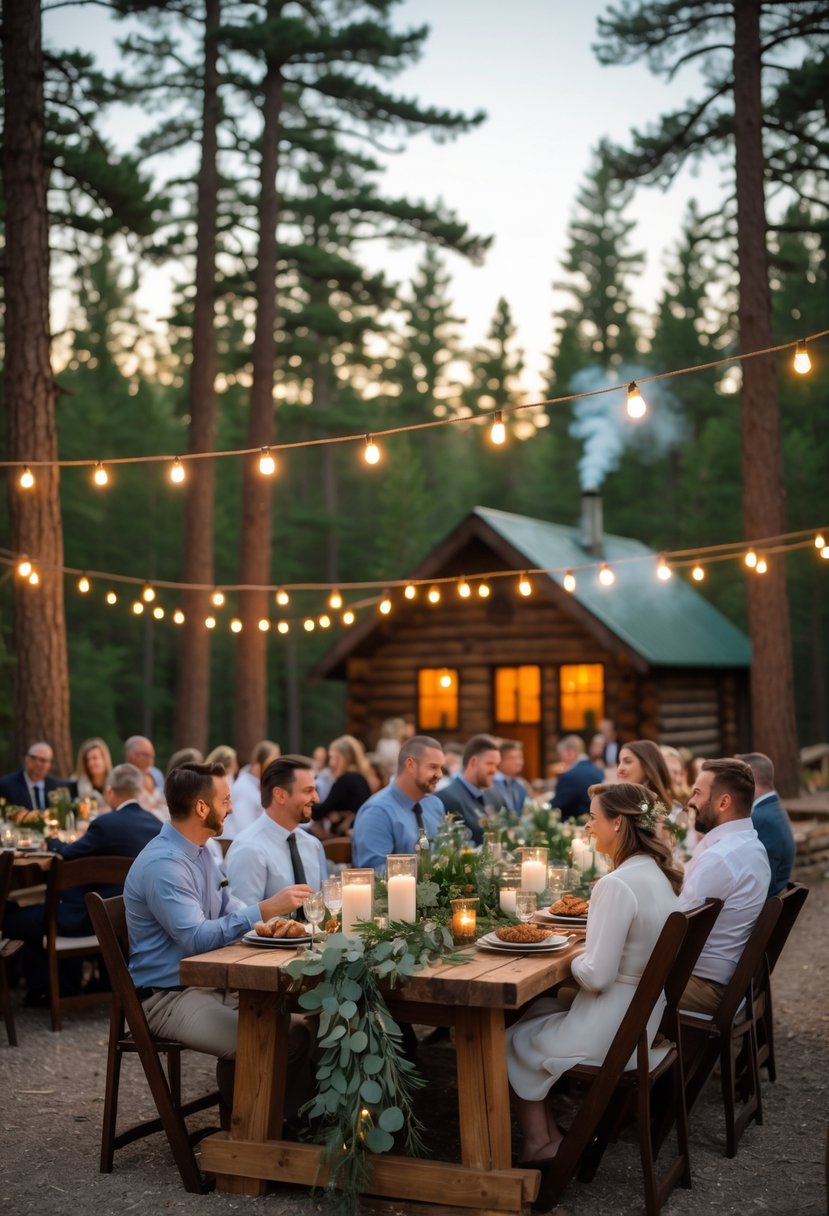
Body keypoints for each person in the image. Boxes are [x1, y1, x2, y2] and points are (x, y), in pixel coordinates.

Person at [507, 782, 682, 1165]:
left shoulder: (616, 884)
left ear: (618, 823)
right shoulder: (655, 874)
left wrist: (568, 954)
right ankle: (552, 1138)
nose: (588, 826)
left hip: (612, 1026)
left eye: (593, 817)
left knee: (509, 1039)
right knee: (535, 1012)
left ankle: (539, 1143)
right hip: (639, 1020)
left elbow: (597, 977)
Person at [124, 762, 314, 1117]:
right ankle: (256, 1133)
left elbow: (229, 906)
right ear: (201, 807)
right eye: (225, 800)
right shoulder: (164, 864)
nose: (231, 807)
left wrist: (268, 924)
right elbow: (195, 939)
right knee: (275, 1038)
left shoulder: (200, 851)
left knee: (304, 1028)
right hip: (170, 998)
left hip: (209, 986)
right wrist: (265, 909)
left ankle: (272, 1125)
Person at [5, 763, 160, 1002]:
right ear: (139, 791)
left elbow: (67, 854)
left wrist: (52, 840)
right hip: (133, 917)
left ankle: (48, 990)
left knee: (14, 917)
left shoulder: (105, 825)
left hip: (93, 917)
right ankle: (62, 985)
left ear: (110, 792)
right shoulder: (155, 825)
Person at [678, 758, 771, 1014]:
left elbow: (673, 927)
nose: (690, 802)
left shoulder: (721, 858)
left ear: (723, 802)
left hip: (702, 985)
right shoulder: (749, 844)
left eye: (697, 792)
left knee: (606, 984)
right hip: (723, 979)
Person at [227, 755, 325, 907]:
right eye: (308, 791)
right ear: (280, 795)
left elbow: (323, 908)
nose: (316, 799)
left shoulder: (313, 845)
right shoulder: (249, 848)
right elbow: (241, 921)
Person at [352, 735, 446, 872]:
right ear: (410, 765)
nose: (440, 774)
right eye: (433, 767)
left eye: (441, 768)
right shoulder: (377, 812)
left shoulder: (435, 805)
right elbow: (375, 874)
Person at [737, 752, 796, 897]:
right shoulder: (772, 807)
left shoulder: (760, 818)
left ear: (749, 779)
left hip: (766, 900)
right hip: (776, 892)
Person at [436, 734, 502, 846]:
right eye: (490, 764)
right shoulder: (447, 798)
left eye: (496, 765)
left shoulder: (493, 796)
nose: (494, 770)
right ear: (473, 762)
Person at [310, 735, 372, 836]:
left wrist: (308, 795)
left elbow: (317, 813)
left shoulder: (345, 780)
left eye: (333, 757)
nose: (331, 763)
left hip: (347, 840)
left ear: (342, 758)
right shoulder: (360, 778)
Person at [222, 739, 280, 839]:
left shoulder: (260, 785)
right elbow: (243, 828)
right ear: (260, 762)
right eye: (274, 759)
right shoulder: (243, 788)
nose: (277, 764)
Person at [0, 741, 76, 811]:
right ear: (26, 759)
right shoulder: (7, 785)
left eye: (43, 760)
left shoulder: (57, 787)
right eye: (33, 758)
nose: (37, 763)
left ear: (49, 765)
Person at [551, 736, 604, 820]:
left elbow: (555, 807)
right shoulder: (599, 771)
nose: (561, 760)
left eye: (561, 755)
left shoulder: (569, 776)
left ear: (570, 752)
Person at [616, 740, 676, 813]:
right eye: (619, 762)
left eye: (628, 761)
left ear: (647, 765)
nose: (620, 768)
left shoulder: (672, 811)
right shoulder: (610, 804)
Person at [72, 737, 114, 813]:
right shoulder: (75, 782)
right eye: (87, 760)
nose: (90, 763)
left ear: (104, 758)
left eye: (94, 758)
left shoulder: (116, 782)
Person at [491, 739, 529, 814]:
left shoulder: (520, 785)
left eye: (520, 757)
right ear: (499, 760)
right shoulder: (489, 784)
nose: (519, 762)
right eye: (512, 758)